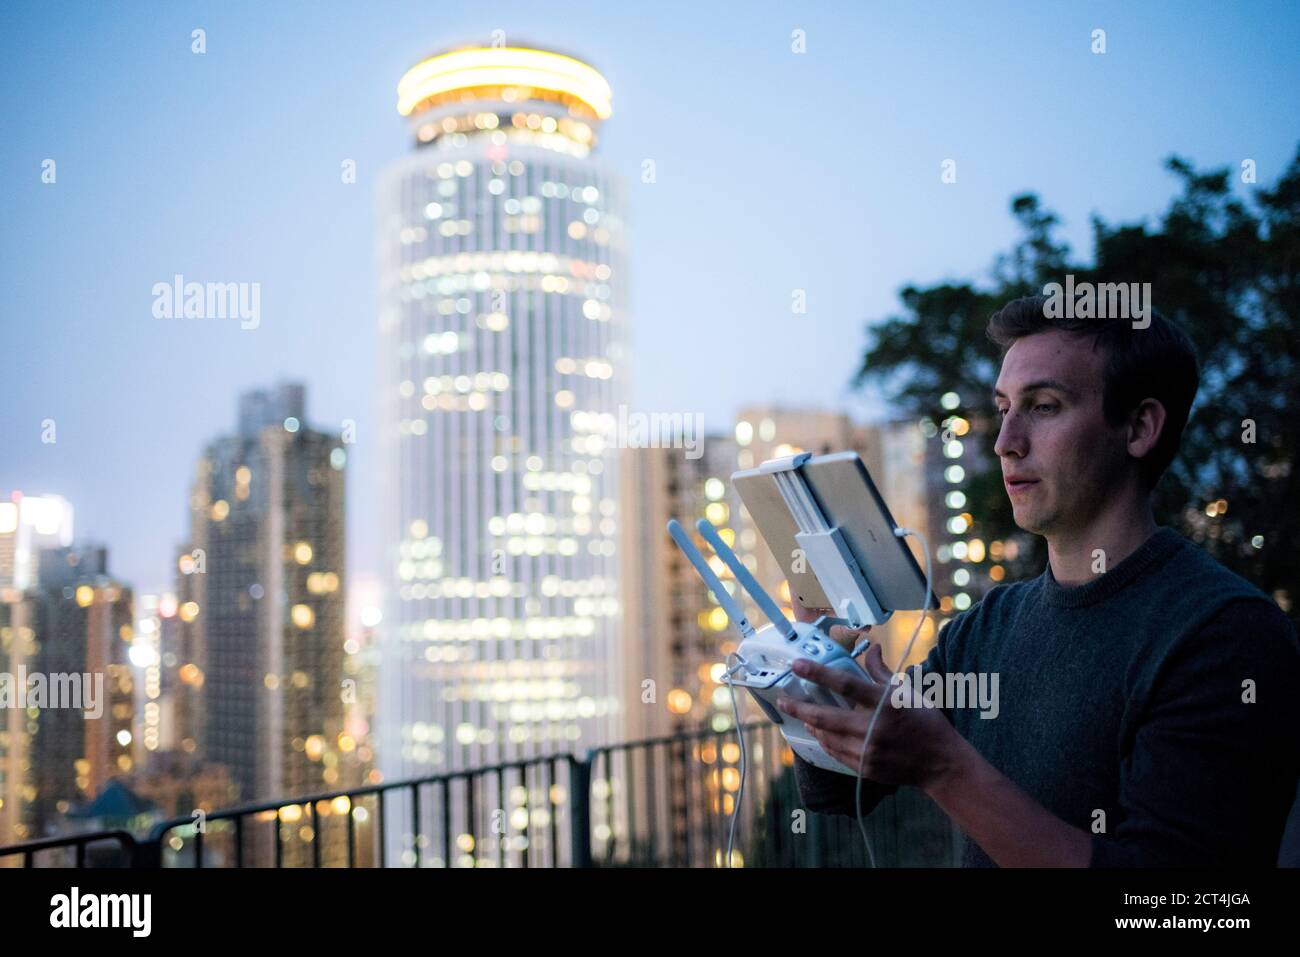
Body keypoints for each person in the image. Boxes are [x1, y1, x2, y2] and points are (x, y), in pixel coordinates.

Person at [778, 295, 1300, 867]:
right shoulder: (987, 627)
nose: (1005, 441)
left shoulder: (1225, 635)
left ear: (1140, 427)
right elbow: (836, 790)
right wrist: (822, 665)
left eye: (1044, 406)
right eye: (1003, 408)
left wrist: (947, 769)